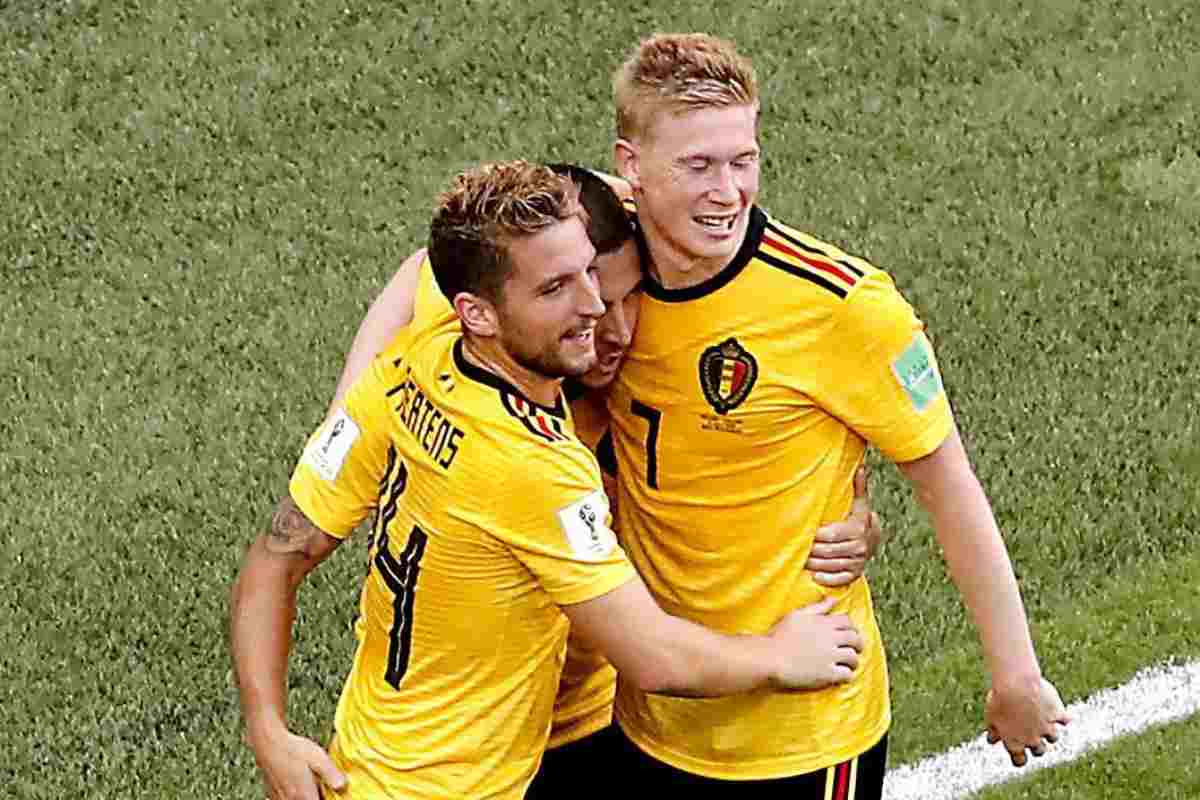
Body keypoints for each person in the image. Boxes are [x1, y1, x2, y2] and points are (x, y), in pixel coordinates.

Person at [229, 160, 869, 800]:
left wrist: (267, 727)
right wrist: (778, 657)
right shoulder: (534, 465)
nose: (593, 307)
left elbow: (276, 557)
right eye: (555, 288)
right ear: (477, 313)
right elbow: (653, 656)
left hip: (375, 764)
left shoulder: (412, 360)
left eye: (590, 272)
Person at [591, 32, 1071, 795]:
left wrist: (1016, 675)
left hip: (806, 735)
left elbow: (949, 484)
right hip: (655, 722)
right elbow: (466, 256)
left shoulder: (841, 306)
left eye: (743, 161)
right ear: (631, 167)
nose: (727, 192)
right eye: (698, 166)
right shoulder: (599, 272)